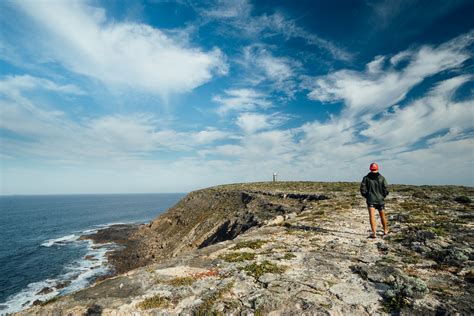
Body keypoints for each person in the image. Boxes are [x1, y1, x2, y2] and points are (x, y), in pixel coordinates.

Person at [360, 162, 389, 239]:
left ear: (370, 168)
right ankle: (385, 231)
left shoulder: (366, 178)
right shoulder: (382, 178)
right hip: (380, 200)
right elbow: (386, 189)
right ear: (377, 168)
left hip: (371, 200)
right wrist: (383, 196)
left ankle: (374, 233)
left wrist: (367, 196)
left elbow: (362, 189)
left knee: (372, 216)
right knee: (382, 215)